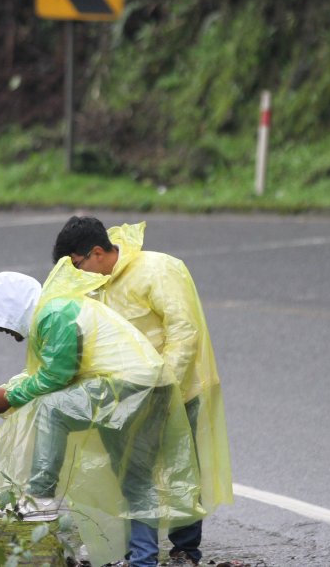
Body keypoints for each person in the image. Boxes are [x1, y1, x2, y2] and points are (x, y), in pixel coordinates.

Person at [0, 264, 204, 567]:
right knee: (135, 478)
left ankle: (39, 497)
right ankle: (143, 561)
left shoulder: (52, 314)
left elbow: (58, 375)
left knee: (52, 408)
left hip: (128, 386)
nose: (4, 330)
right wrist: (8, 391)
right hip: (151, 384)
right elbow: (53, 370)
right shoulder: (58, 307)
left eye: (1, 322)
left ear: (14, 307)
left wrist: (12, 396)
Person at [52, 217, 233, 567]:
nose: (77, 273)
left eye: (78, 265)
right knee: (133, 475)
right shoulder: (94, 284)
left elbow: (183, 331)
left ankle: (184, 550)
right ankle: (137, 553)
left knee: (180, 469)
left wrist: (162, 390)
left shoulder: (158, 269)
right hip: (124, 395)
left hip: (176, 390)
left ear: (98, 252)